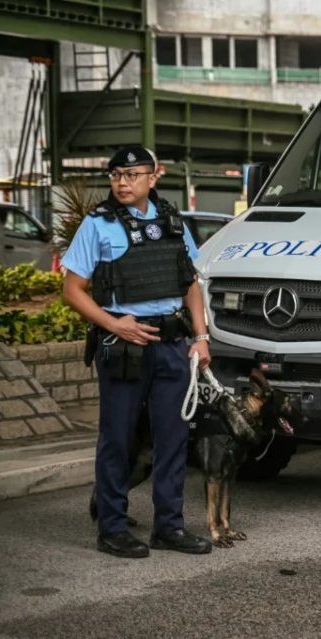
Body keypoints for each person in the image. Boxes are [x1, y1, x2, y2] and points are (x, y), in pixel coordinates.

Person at [62, 145, 212, 558]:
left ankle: (169, 527)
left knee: (173, 439)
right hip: (122, 346)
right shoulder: (97, 225)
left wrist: (200, 338)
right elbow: (72, 291)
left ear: (153, 177)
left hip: (170, 344)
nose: (122, 183)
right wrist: (114, 323)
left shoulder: (172, 221)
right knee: (118, 439)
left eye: (132, 175)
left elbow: (190, 284)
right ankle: (112, 528)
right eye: (115, 176)